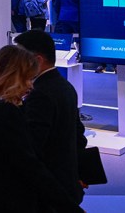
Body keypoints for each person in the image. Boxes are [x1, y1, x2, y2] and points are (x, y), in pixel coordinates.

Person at [0, 45, 82, 212]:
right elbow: (30, 167)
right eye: (27, 79)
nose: (30, 86)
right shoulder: (6, 114)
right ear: (11, 77)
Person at [14, 30, 88, 208]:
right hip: (66, 181)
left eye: (20, 58)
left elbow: (33, 146)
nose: (16, 64)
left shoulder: (40, 94)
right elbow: (79, 134)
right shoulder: (65, 87)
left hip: (49, 188)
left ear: (37, 60)